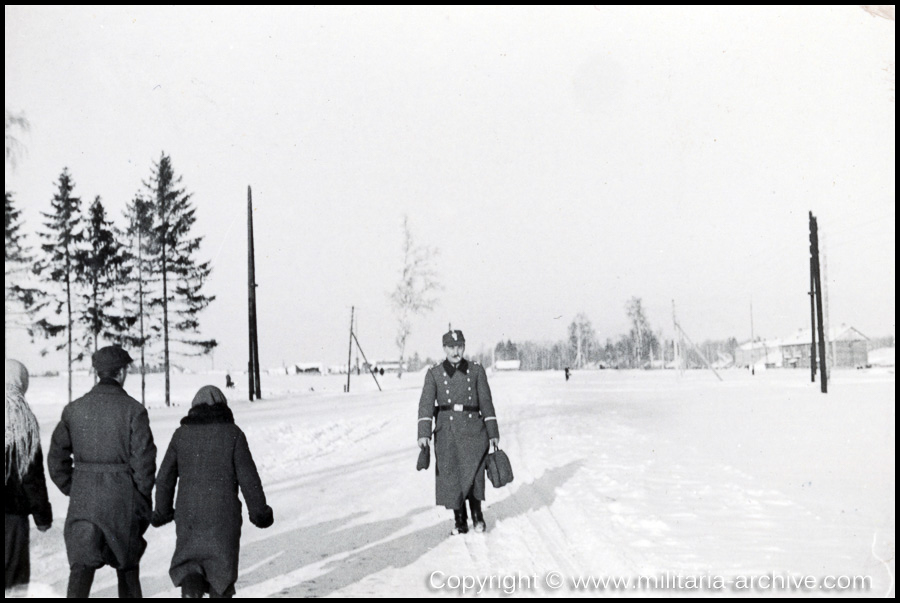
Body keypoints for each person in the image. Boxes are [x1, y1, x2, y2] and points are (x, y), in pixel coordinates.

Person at [48, 345, 156, 598]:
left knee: (81, 569)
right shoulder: (134, 410)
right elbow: (145, 463)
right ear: (120, 373)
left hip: (84, 500)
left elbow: (56, 460)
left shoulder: (73, 410)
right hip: (122, 500)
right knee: (127, 569)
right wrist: (139, 498)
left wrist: (74, 488)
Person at [152, 386, 273, 598]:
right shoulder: (234, 434)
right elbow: (249, 480)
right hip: (222, 517)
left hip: (189, 514)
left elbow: (164, 478)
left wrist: (162, 511)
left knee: (190, 564)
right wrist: (260, 513)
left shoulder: (181, 435)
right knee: (221, 569)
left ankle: (190, 592)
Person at [417, 329, 500, 534]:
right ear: (444, 348)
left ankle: (478, 517)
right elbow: (426, 405)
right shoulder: (434, 373)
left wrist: (493, 432)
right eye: (451, 347)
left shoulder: (476, 370)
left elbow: (486, 403)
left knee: (474, 475)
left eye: (460, 346)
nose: (456, 351)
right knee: (452, 476)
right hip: (447, 431)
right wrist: (423, 433)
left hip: (474, 429)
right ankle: (460, 521)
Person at [5, 359, 53, 594]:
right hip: (12, 513)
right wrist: (42, 515)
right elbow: (32, 475)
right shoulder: (22, 418)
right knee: (14, 577)